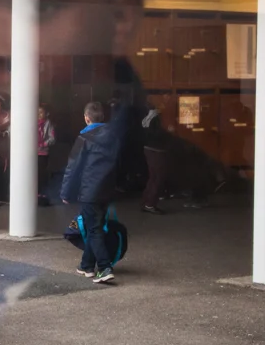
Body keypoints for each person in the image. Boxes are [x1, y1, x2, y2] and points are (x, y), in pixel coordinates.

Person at [61, 101, 127, 285]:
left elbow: (73, 167)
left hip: (89, 190)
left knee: (94, 229)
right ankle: (86, 266)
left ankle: (105, 268)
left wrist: (66, 193)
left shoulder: (84, 138)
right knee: (94, 225)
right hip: (107, 190)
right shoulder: (114, 138)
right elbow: (120, 164)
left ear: (86, 118)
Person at [141, 99, 170, 215]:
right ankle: (150, 204)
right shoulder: (157, 118)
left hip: (148, 149)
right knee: (158, 178)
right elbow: (158, 134)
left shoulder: (146, 116)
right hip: (157, 150)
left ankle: (145, 202)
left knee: (152, 177)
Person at [37, 104, 56, 206]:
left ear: (46, 114)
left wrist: (44, 144)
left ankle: (41, 194)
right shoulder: (31, 122)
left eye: (41, 112)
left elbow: (52, 138)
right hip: (32, 153)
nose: (39, 114)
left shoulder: (48, 124)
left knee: (41, 174)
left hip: (43, 152)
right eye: (37, 112)